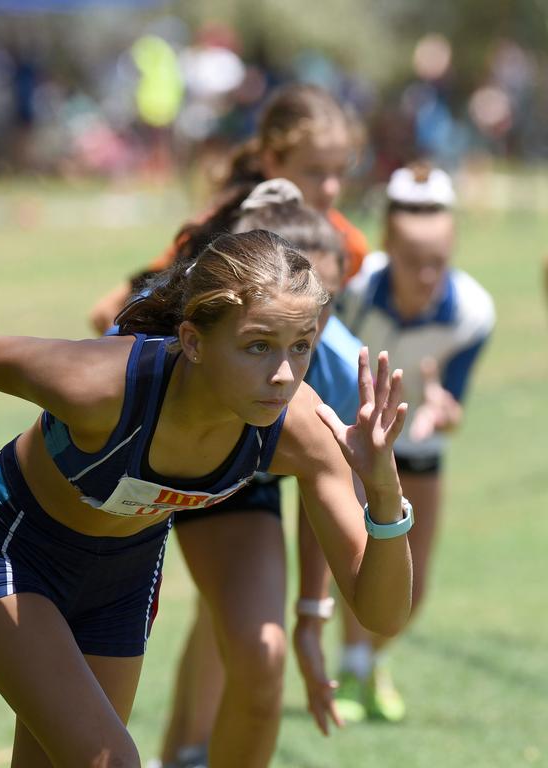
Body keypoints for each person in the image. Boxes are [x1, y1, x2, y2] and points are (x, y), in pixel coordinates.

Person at [0, 229, 413, 768]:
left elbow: (381, 612)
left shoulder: (302, 428)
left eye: (301, 346)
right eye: (258, 346)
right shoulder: (102, 385)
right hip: (9, 551)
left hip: (123, 582)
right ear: (194, 341)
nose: (284, 374)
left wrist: (383, 493)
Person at [149, 179, 364, 768]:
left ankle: (190, 755)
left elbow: (324, 502)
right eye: (266, 337)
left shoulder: (338, 372)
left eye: (317, 317)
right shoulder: (164, 351)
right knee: (110, 657)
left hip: (240, 495)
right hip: (151, 479)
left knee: (257, 652)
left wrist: (311, 621)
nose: (292, 363)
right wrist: (42, 586)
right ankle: (183, 752)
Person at [333, 164, 495, 723]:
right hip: (354, 441)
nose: (426, 276)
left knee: (413, 584)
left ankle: (365, 664)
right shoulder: (351, 291)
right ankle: (353, 670)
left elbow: (453, 400)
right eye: (412, 262)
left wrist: (447, 414)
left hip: (420, 445)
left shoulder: (473, 312)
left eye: (438, 263)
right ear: (386, 245)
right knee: (360, 563)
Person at [88, 83, 369, 336]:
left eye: (340, 172)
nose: (331, 188)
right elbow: (107, 312)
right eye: (314, 171)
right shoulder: (219, 233)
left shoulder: (349, 248)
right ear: (271, 161)